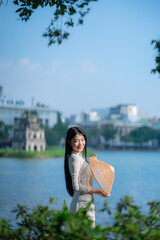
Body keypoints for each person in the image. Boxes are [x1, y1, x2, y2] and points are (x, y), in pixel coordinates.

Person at [64, 126, 110, 227]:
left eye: (82, 140)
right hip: (81, 204)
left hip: (86, 202)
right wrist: (97, 191)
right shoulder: (74, 158)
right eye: (76, 141)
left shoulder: (79, 157)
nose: (80, 143)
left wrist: (92, 163)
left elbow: (85, 178)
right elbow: (76, 186)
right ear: (69, 142)